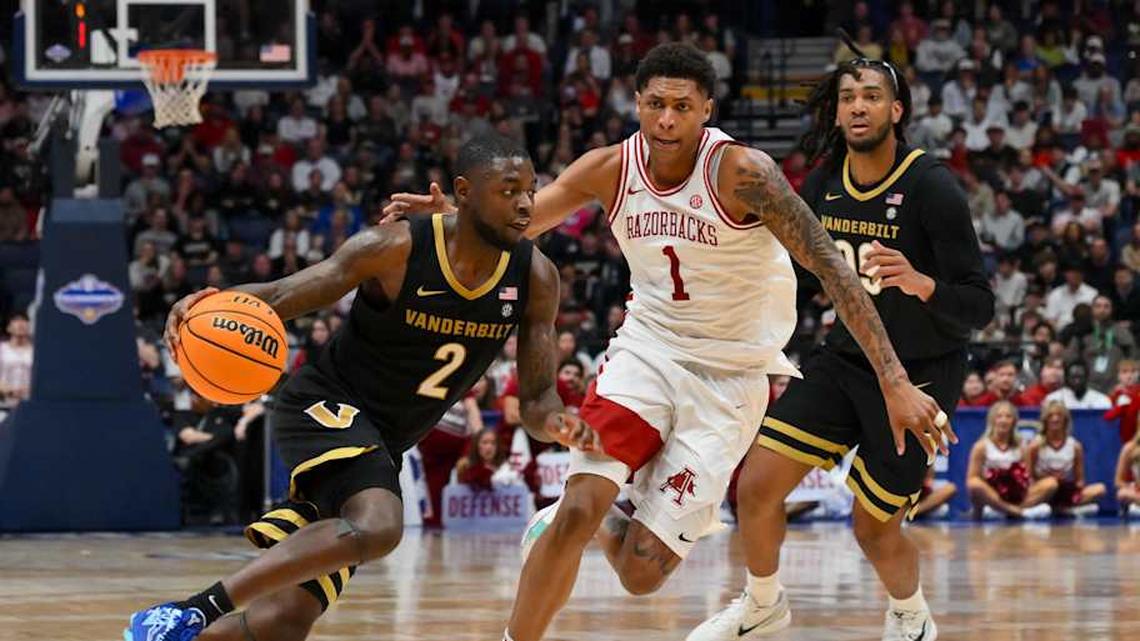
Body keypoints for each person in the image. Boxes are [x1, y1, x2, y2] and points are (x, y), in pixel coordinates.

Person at [385, 43, 946, 641]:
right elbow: (520, 223)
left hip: (731, 376)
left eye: (682, 105)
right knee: (576, 509)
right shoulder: (609, 166)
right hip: (646, 352)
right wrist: (458, 217)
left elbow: (833, 269)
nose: (668, 120)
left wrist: (894, 380)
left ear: (707, 107)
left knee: (639, 574)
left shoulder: (745, 173)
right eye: (655, 104)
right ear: (637, 105)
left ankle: (604, 523)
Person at [124, 135, 592, 641]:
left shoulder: (536, 277)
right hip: (325, 404)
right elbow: (281, 295)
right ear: (464, 191)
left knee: (284, 621)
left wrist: (560, 422)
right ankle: (191, 611)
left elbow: (538, 398)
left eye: (531, 189)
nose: (526, 204)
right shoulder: (394, 248)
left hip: (382, 442)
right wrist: (206, 306)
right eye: (509, 190)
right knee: (380, 526)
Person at [688, 55, 993, 641]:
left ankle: (910, 614)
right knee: (755, 488)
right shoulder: (826, 181)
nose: (858, 106)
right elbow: (799, 274)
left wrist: (922, 282)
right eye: (848, 96)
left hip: (921, 375)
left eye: (872, 96)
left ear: (896, 111)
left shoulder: (932, 186)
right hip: (844, 360)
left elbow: (979, 306)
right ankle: (762, 604)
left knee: (873, 529)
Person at [1024, 400, 1107, 515]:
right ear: (1045, 420)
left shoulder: (1075, 446)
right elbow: (1028, 475)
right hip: (1043, 488)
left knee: (1100, 489)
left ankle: (1060, 509)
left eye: (1059, 415)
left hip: (1065, 489)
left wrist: (1072, 488)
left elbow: (1080, 480)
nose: (1055, 419)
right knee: (1051, 483)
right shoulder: (1035, 445)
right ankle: (1024, 508)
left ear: (1065, 420)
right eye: (1051, 416)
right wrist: (1045, 479)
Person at [965, 400, 1032, 519]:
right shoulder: (981, 446)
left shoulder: (1022, 447)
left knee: (1049, 484)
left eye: (1008, 416)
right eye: (999, 416)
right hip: (991, 493)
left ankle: (1016, 508)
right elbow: (972, 478)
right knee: (975, 484)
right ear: (992, 420)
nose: (1004, 420)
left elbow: (1028, 476)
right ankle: (1010, 510)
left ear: (1014, 421)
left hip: (1016, 494)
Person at [1114, 426, 1140, 516]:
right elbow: (1118, 482)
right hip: (1137, 492)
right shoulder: (1129, 448)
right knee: (1122, 494)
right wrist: (1133, 487)